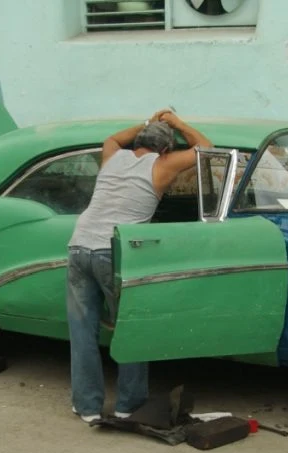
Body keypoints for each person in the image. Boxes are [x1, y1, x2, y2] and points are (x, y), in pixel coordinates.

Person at [66, 109, 212, 423]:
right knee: (132, 329)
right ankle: (128, 404)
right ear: (166, 149)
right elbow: (206, 149)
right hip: (113, 250)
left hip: (79, 245)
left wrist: (146, 124)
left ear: (138, 142)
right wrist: (176, 123)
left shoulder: (113, 156)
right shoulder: (163, 164)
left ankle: (87, 407)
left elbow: (113, 138)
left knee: (82, 332)